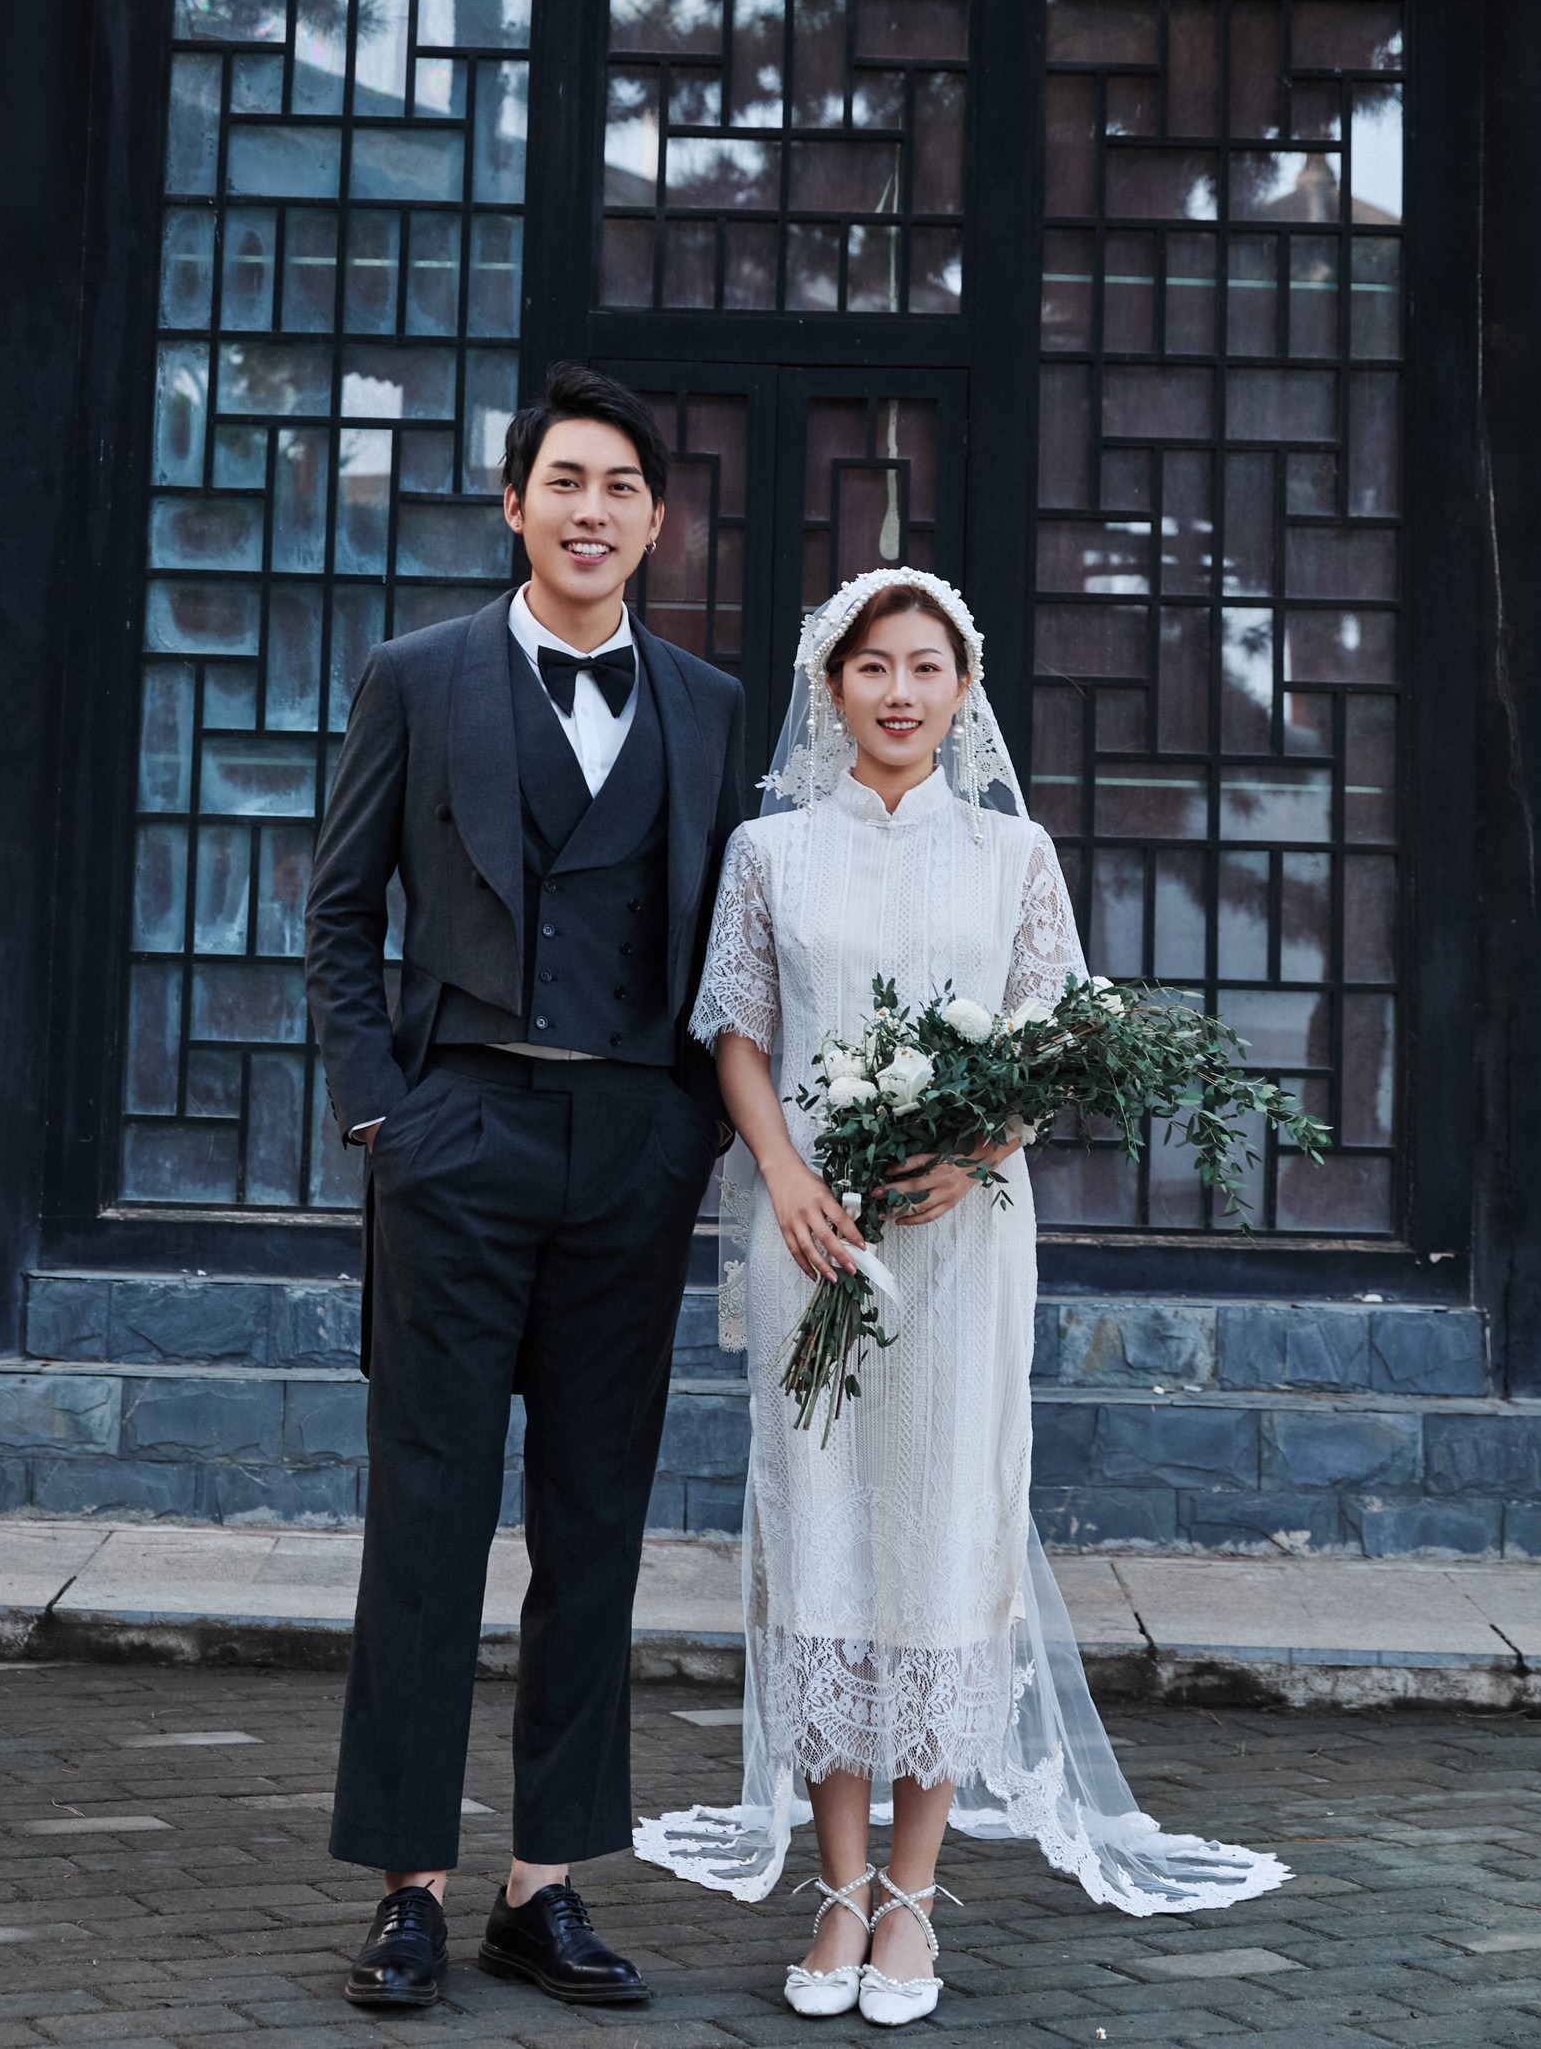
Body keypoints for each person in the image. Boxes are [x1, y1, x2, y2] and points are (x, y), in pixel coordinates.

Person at [637, 567, 1286, 2024]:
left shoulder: (1012, 855)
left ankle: (913, 1899)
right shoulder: (769, 850)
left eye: (927, 667)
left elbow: (1055, 1045)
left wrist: (976, 1149)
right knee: (818, 1538)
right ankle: (836, 1889)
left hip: (959, 1240)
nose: (899, 691)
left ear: (964, 690)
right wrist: (782, 1173)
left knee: (941, 1537)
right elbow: (736, 1030)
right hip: (809, 1234)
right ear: (831, 686)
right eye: (873, 665)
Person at [305, 362, 747, 2015]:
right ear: (513, 506)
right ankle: (407, 1888)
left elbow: (729, 940)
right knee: (426, 1516)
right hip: (459, 1134)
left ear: (654, 518)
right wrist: (383, 1117)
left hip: (630, 1152)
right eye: (563, 481)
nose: (590, 510)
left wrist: (692, 1131)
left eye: (620, 486)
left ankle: (543, 1884)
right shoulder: (417, 677)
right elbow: (340, 912)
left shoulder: (706, 704)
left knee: (594, 1523)